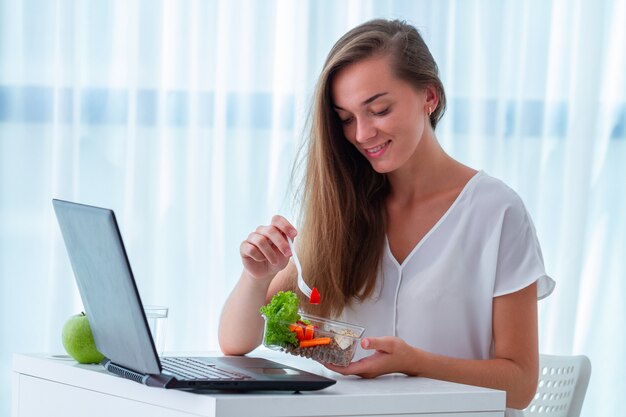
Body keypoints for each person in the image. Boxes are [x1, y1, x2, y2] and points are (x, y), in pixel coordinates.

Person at [218, 18, 554, 413]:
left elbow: (519, 384)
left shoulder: (497, 213)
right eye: (345, 118)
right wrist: (256, 277)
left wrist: (415, 363)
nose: (361, 134)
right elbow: (236, 342)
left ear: (429, 96)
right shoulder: (341, 211)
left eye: (378, 109)